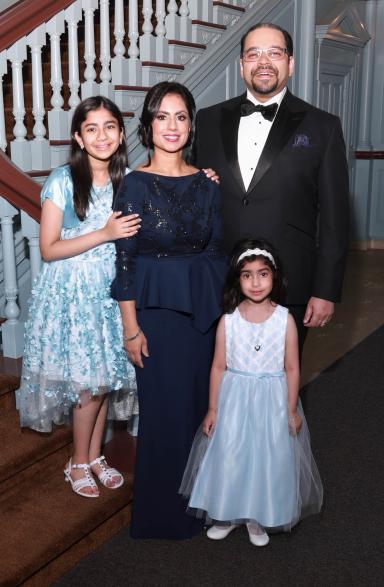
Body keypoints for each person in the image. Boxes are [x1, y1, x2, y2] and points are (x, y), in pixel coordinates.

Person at [111, 81, 227, 539]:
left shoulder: (208, 184)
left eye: (181, 117)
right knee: (163, 416)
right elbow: (124, 263)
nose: (172, 126)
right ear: (148, 126)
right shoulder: (134, 186)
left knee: (204, 411)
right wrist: (130, 329)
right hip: (154, 317)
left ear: (191, 125)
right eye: (163, 116)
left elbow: (218, 253)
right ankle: (163, 516)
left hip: (201, 313)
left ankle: (206, 506)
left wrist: (223, 319)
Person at [193, 22, 350, 353]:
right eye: (253, 54)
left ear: (290, 64)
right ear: (241, 65)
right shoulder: (206, 121)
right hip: (217, 282)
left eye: (274, 53)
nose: (263, 62)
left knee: (278, 387)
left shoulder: (323, 127)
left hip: (289, 282)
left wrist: (325, 290)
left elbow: (335, 218)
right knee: (220, 385)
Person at [17, 96, 140, 498]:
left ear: (121, 134)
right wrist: (103, 234)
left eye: (109, 127)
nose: (102, 135)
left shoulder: (129, 179)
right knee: (87, 384)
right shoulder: (63, 179)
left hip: (111, 294)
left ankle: (94, 454)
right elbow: (49, 247)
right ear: (78, 137)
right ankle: (77, 461)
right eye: (92, 128)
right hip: (74, 295)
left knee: (104, 381)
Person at [179, 239, 323, 546]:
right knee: (230, 457)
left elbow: (293, 368)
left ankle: (257, 517)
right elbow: (218, 366)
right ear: (237, 279)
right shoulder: (228, 320)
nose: (256, 282)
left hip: (271, 401)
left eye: (263, 274)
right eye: (247, 275)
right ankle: (228, 513)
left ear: (275, 277)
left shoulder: (285, 319)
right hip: (233, 400)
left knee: (265, 459)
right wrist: (213, 409)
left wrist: (291, 409)